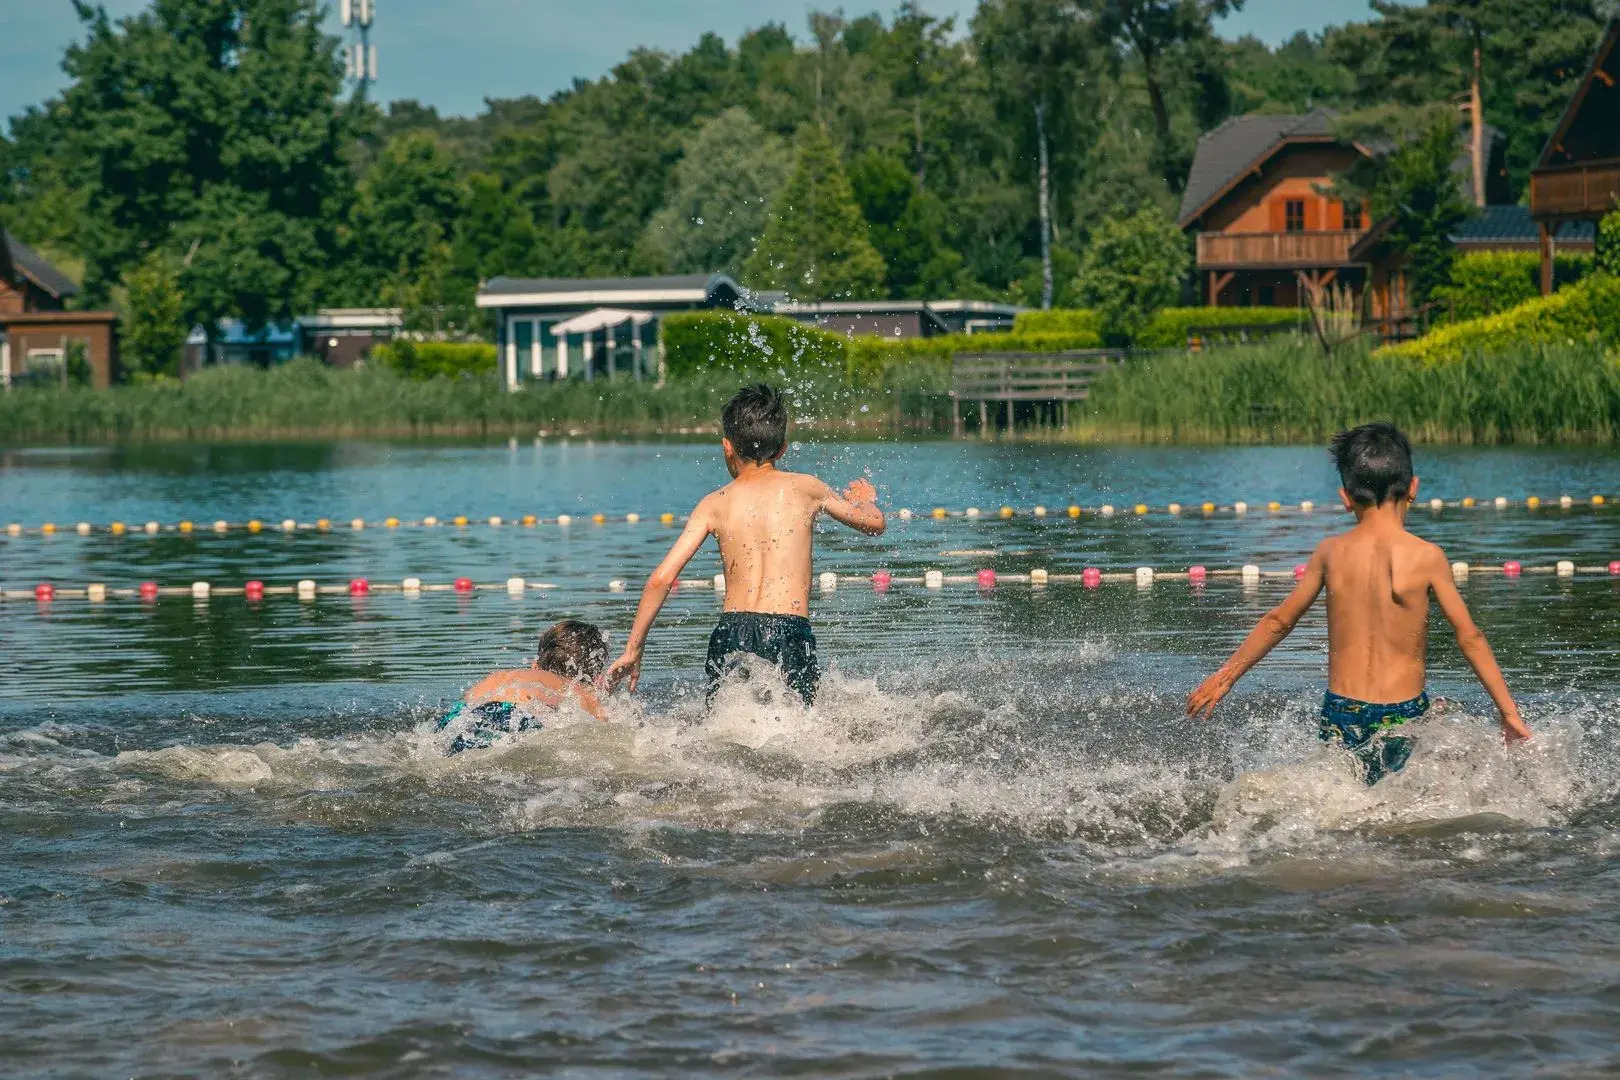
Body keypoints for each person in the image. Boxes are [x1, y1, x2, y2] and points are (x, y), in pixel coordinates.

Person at [1186, 422, 1531, 784]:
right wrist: (1508, 713)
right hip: (1404, 715)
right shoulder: (1426, 557)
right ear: (1413, 489)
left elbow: (1278, 621)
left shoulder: (1330, 553)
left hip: (1341, 710)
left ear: (1345, 497)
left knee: (1348, 797)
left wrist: (1225, 678)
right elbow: (1470, 638)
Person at [602, 383, 885, 705]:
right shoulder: (806, 488)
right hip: (787, 627)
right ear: (782, 450)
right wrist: (866, 501)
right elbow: (874, 525)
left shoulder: (713, 503)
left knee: (726, 728)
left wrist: (633, 650)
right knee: (798, 726)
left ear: (727, 447)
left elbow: (661, 579)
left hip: (731, 630)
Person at [438, 619, 608, 753]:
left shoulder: (501, 678)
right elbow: (604, 727)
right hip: (515, 718)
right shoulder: (576, 690)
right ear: (595, 676)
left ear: (536, 663)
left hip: (459, 718)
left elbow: (467, 703)